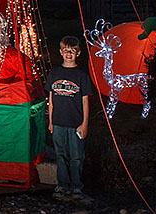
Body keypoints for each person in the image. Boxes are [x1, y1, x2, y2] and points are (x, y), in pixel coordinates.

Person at [45, 36, 94, 204]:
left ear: (78, 53)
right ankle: (62, 185)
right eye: (66, 51)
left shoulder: (81, 75)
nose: (69, 54)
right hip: (58, 122)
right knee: (60, 154)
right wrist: (50, 121)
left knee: (76, 156)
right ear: (60, 52)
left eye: (72, 51)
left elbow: (85, 100)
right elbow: (51, 100)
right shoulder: (54, 73)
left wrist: (84, 123)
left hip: (76, 124)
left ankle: (77, 186)